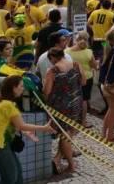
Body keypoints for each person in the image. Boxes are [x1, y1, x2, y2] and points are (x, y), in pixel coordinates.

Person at [0, 76, 55, 184]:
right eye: (21, 86)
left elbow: (10, 124)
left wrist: (26, 132)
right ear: (14, 88)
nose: (23, 88)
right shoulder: (8, 106)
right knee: (10, 179)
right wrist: (44, 128)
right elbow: (21, 125)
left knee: (17, 176)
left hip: (0, 145)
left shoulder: (4, 103)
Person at [43, 47, 85, 175]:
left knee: (64, 134)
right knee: (69, 132)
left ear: (52, 58)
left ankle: (71, 165)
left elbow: (47, 91)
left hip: (61, 106)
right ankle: (58, 158)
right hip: (76, 101)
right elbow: (83, 82)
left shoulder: (52, 71)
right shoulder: (76, 65)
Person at [67, 31, 96, 126]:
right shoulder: (89, 52)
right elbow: (94, 66)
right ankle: (83, 121)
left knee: (73, 98)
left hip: (72, 78)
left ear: (76, 39)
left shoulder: (67, 52)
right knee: (84, 100)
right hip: (87, 78)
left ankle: (72, 119)